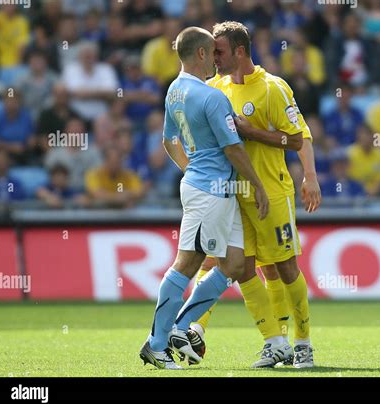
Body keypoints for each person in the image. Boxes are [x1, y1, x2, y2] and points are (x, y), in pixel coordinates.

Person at [191, 21, 321, 369]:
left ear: (239, 51)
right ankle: (274, 343)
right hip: (234, 195)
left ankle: (303, 341)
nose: (213, 58)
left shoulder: (272, 88)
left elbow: (295, 139)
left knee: (284, 265)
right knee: (243, 268)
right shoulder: (214, 88)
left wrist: (309, 175)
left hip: (273, 191)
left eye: (218, 51)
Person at [138, 27, 269, 370]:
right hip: (211, 191)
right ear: (200, 54)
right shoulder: (211, 97)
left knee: (234, 264)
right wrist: (257, 184)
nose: (216, 58)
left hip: (211, 188)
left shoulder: (174, 91)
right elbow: (232, 147)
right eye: (213, 52)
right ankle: (156, 343)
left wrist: (190, 170)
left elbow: (169, 141)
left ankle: (180, 327)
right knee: (187, 263)